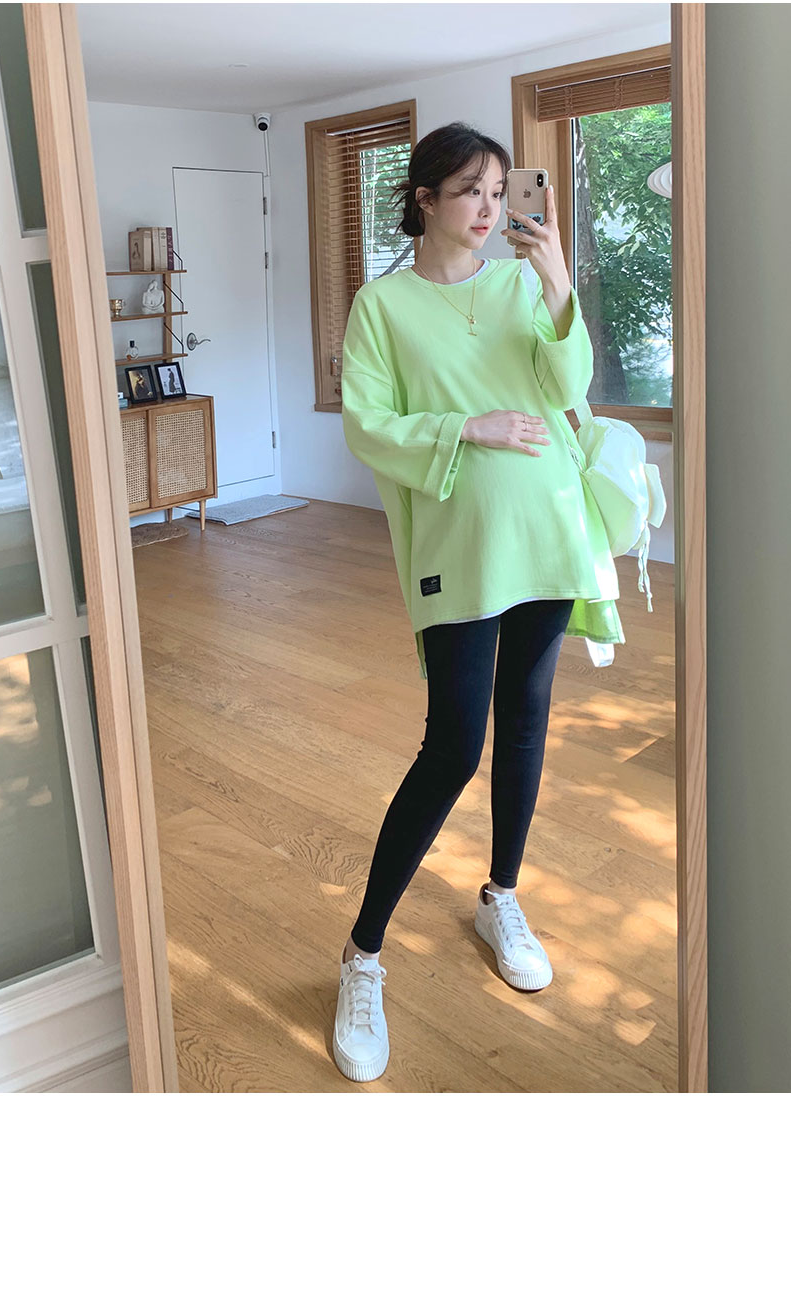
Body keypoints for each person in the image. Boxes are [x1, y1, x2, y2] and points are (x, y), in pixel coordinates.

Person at [333, 122, 621, 1084]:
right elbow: (369, 425)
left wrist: (558, 280)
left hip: (547, 531)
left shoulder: (520, 285)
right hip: (460, 548)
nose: (492, 209)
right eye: (471, 191)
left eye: (501, 192)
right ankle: (363, 954)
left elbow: (568, 386)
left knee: (527, 722)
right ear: (423, 199)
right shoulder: (381, 306)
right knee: (453, 745)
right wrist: (470, 426)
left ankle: (501, 895)